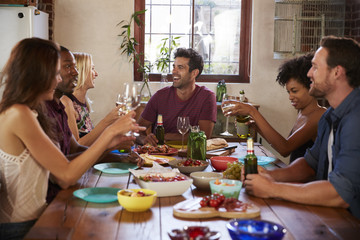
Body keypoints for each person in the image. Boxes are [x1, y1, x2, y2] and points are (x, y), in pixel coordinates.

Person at [0, 38, 143, 239]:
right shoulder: (19, 114)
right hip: (20, 229)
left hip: (40, 216)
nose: (58, 80)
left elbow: (63, 164)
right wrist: (109, 132)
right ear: (38, 73)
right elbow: (66, 176)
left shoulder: (30, 111)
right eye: (56, 73)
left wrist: (111, 144)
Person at [243, 36, 360, 219]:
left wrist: (273, 188)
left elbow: (340, 194)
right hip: (329, 216)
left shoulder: (356, 118)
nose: (309, 74)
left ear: (337, 72)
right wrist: (269, 176)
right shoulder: (329, 116)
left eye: (315, 67)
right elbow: (309, 164)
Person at [45, 46, 143, 203]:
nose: (75, 72)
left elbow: (75, 148)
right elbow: (63, 175)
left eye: (75, 67)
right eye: (68, 66)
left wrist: (117, 155)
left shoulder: (58, 107)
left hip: (67, 189)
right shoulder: (46, 108)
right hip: (53, 199)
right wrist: (109, 131)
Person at [225, 54, 326, 163]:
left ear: (310, 86)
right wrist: (256, 127)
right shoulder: (303, 113)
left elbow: (285, 148)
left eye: (294, 91)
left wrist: (252, 111)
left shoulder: (319, 115)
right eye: (289, 92)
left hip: (307, 179)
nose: (290, 97)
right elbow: (281, 144)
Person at [137, 48, 217, 146]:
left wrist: (166, 136)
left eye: (180, 67)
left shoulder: (207, 97)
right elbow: (137, 131)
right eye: (174, 66)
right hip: (160, 157)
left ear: (194, 73)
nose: (174, 71)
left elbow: (204, 136)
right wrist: (144, 139)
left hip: (191, 156)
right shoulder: (160, 96)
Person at [60, 52, 120, 146]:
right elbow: (76, 147)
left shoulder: (83, 103)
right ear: (81, 72)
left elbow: (90, 141)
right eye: (92, 69)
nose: (96, 74)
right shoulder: (67, 103)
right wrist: (106, 121)